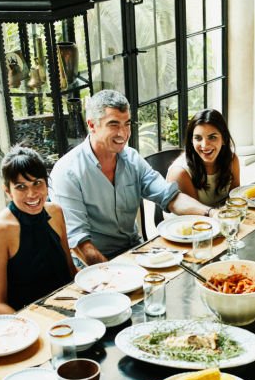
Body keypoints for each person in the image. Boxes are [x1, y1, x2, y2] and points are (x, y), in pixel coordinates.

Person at [49, 90, 212, 263]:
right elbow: (80, 244)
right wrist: (115, 275)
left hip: (135, 252)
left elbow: (170, 197)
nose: (123, 133)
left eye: (126, 124)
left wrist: (211, 214)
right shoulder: (67, 172)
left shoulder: (132, 159)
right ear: (91, 125)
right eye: (113, 125)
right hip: (94, 264)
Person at [0, 146, 76, 314]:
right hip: (26, 321)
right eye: (21, 187)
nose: (32, 194)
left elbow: (71, 272)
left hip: (68, 308)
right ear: (8, 191)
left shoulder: (56, 212)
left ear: (46, 184)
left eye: (37, 183)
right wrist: (34, 329)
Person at [166, 109, 240, 207]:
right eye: (198, 138)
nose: (204, 145)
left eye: (212, 137)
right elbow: (196, 214)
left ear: (224, 139)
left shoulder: (231, 159)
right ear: (191, 141)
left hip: (220, 216)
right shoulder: (180, 173)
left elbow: (236, 201)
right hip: (191, 220)